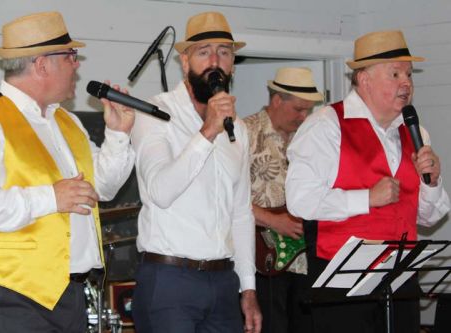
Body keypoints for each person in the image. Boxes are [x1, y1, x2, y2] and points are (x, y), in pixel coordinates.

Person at [0, 11, 135, 332]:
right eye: (70, 56)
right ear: (41, 65)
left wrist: (118, 135)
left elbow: (102, 188)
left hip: (70, 293)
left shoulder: (67, 122)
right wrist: (50, 197)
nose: (77, 64)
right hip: (14, 294)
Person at [285, 30, 450, 333]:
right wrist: (366, 198)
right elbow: (300, 200)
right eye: (395, 73)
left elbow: (430, 217)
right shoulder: (326, 125)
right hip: (343, 283)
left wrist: (432, 183)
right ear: (364, 80)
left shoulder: (417, 133)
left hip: (400, 281)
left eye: (409, 74)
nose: (407, 83)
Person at [131, 11, 262, 333]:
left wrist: (248, 287)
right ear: (185, 62)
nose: (215, 61)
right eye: (204, 52)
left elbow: (241, 213)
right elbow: (162, 192)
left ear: (232, 64)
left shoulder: (239, 129)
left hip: (223, 282)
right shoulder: (155, 113)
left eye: (225, 52)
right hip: (170, 279)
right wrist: (206, 133)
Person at [243, 67, 323, 333]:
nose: (304, 116)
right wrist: (274, 221)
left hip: (305, 258)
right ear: (277, 100)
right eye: (299, 109)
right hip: (263, 258)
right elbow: (225, 196)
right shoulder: (244, 133)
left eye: (308, 110)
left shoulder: (311, 138)